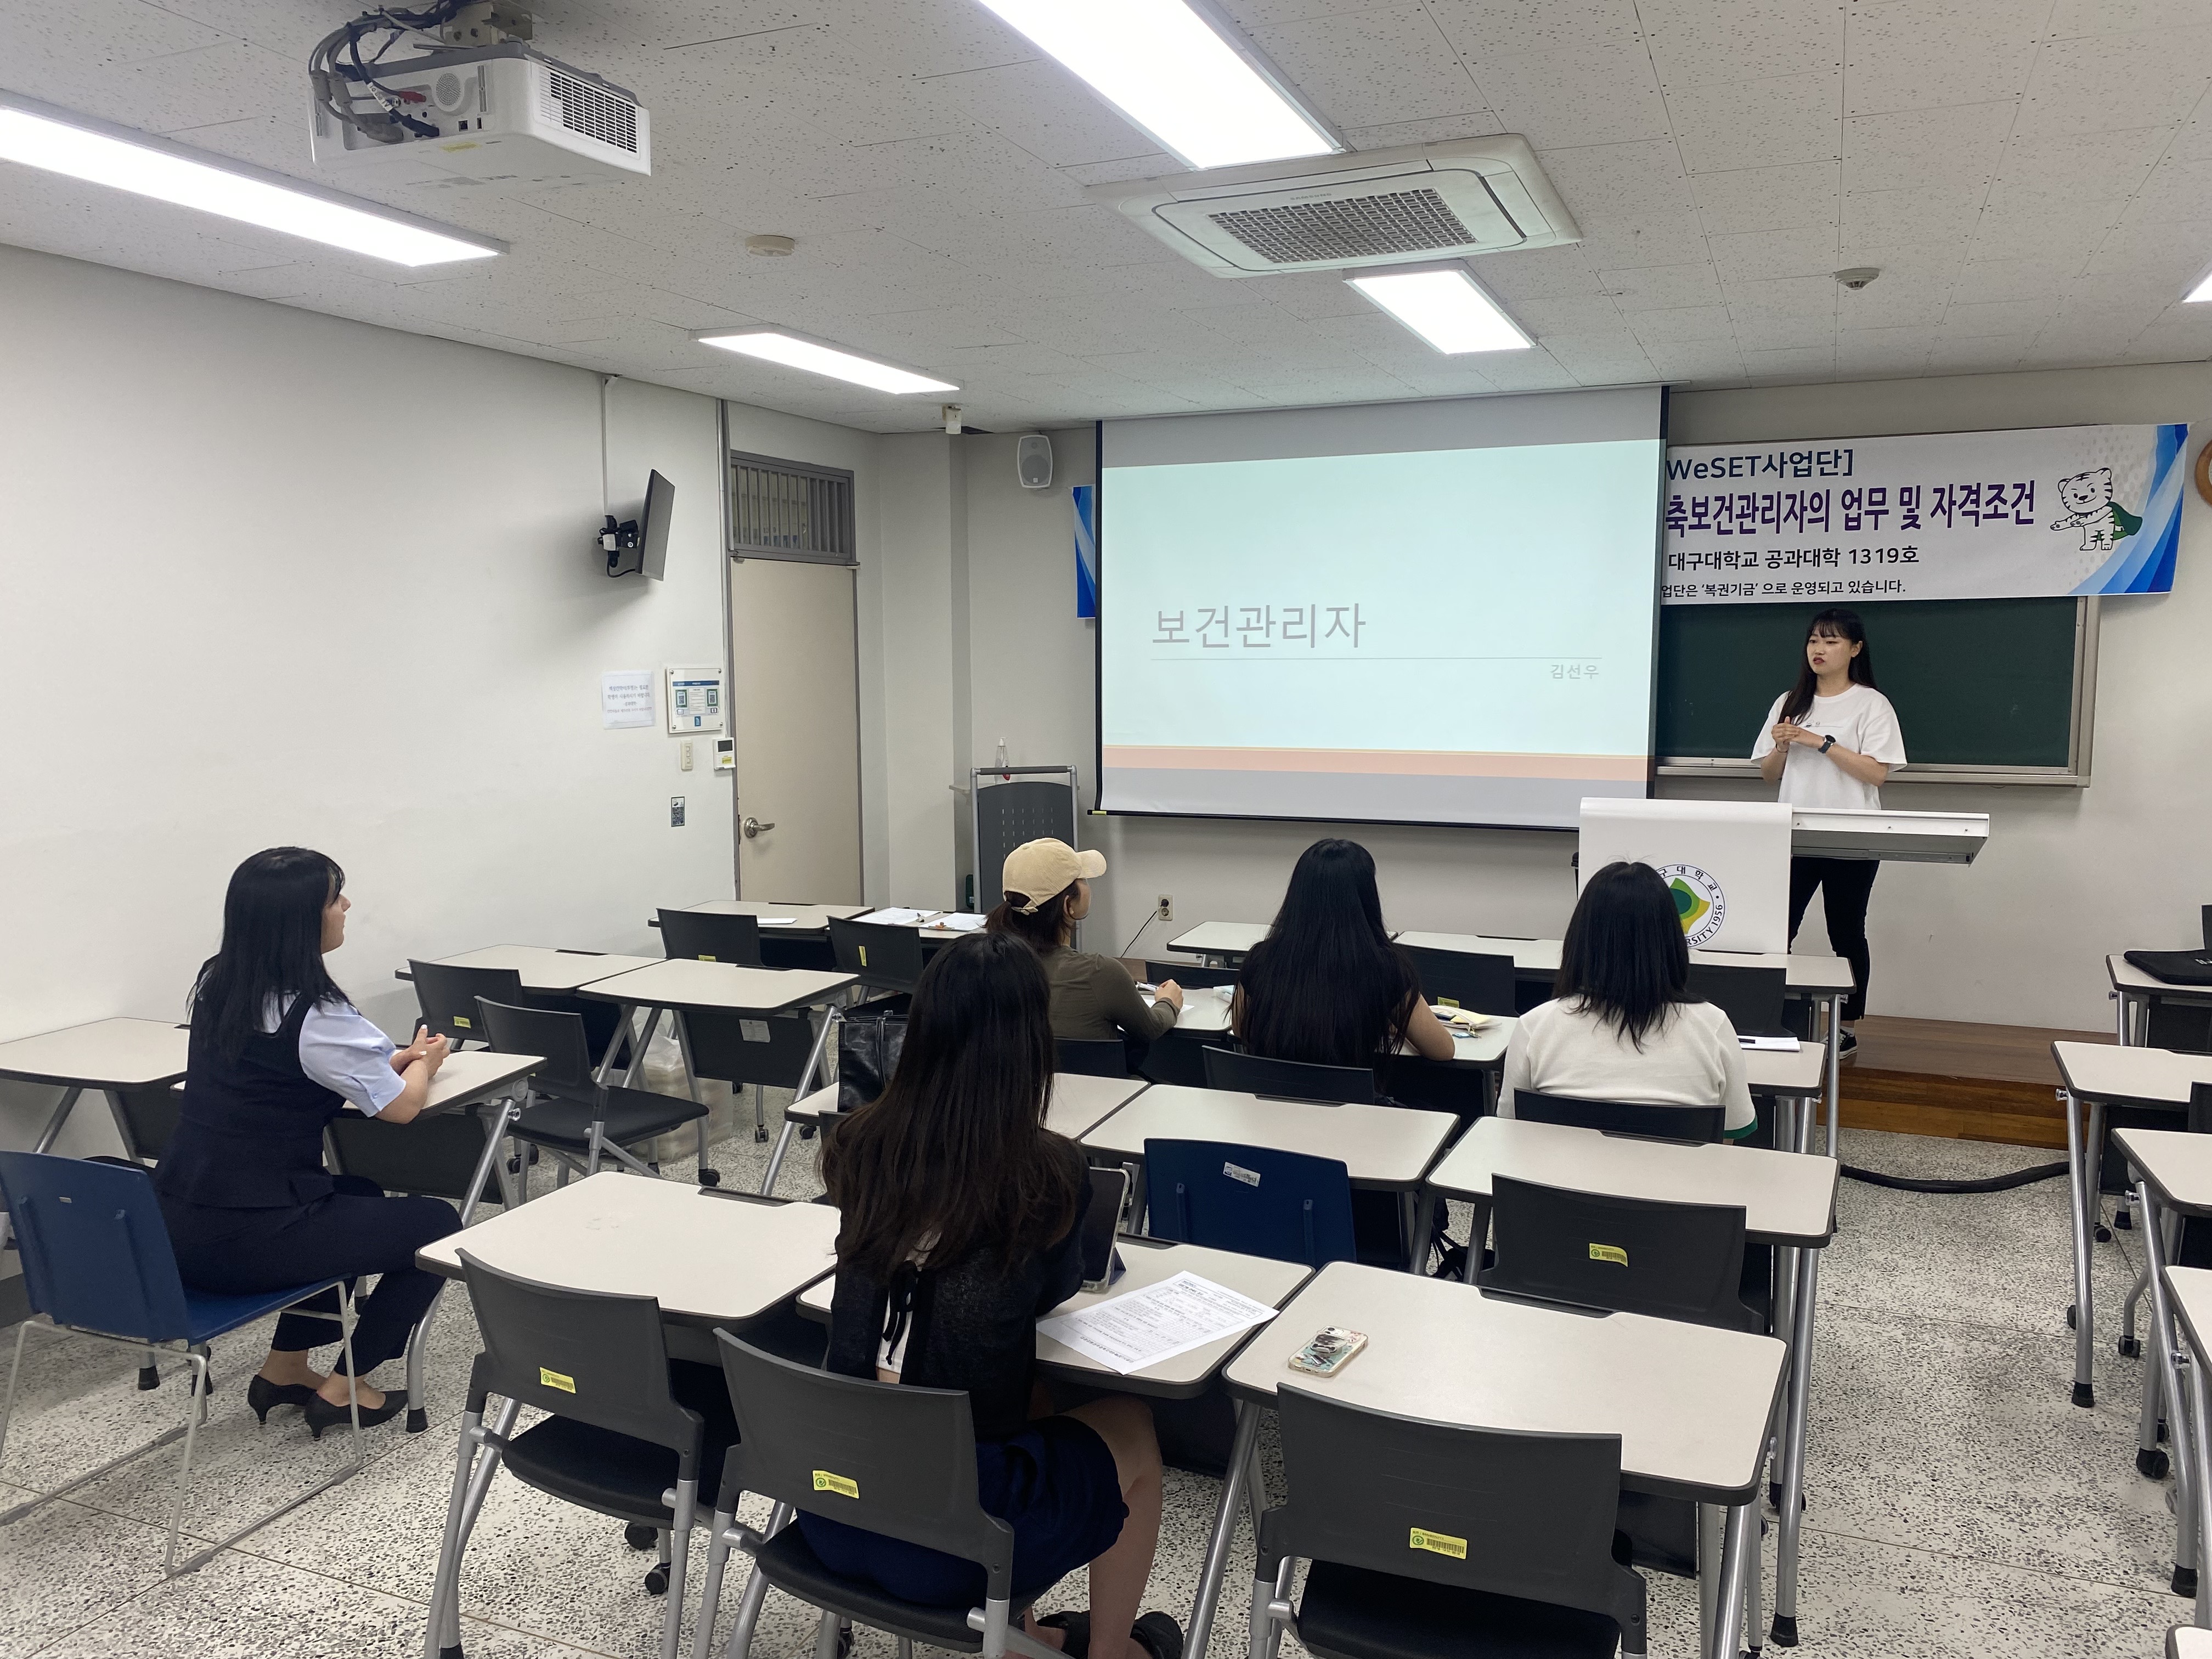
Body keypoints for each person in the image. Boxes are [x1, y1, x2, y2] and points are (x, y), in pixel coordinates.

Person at [810, 933, 1179, 1659]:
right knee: (1132, 1425)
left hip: (831, 1506)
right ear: (1030, 1047)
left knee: (1026, 1402)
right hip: (951, 1545)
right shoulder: (1044, 1172)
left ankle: (1021, 1634)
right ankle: (1111, 1652)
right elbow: (1057, 1288)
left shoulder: (858, 1143)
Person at [155, 848, 461, 1435]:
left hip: (178, 1224)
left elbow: (277, 1070)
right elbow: (402, 1108)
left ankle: (285, 1368)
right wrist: (426, 1062)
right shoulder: (318, 1014)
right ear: (299, 921)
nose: (345, 907)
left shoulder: (219, 984)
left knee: (357, 1191)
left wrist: (382, 1064)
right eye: (333, 898)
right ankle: (348, 1386)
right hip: (246, 1241)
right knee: (438, 1224)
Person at [1500, 860, 1755, 1138]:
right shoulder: (1713, 1026)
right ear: (1672, 941)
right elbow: (1728, 1137)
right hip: (1677, 1169)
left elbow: (1512, 1132)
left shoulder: (1535, 1027)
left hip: (1558, 1169)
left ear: (1580, 939)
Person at [1751, 607, 1906, 1056]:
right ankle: (1768, 1015)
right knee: (1777, 928)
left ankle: (1846, 1028)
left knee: (1846, 931)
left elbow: (1877, 773)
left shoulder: (1872, 704)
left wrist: (1819, 742)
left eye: (1832, 641)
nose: (1819, 649)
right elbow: (1768, 774)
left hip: (1852, 835)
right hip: (1794, 834)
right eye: (1814, 640)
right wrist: (1783, 746)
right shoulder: (1789, 702)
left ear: (1855, 649)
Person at [1231, 838, 1455, 1070]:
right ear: (1367, 898)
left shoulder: (1262, 959)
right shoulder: (1386, 968)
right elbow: (1443, 1050)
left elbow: (1240, 1029)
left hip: (1270, 1092)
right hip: (1353, 1095)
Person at [986, 837, 1182, 1056]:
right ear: (1069, 904)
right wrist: (1168, 1002)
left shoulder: (986, 966)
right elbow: (1151, 1028)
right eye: (1082, 879)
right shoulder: (1100, 973)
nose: (1088, 885)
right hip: (1098, 1079)